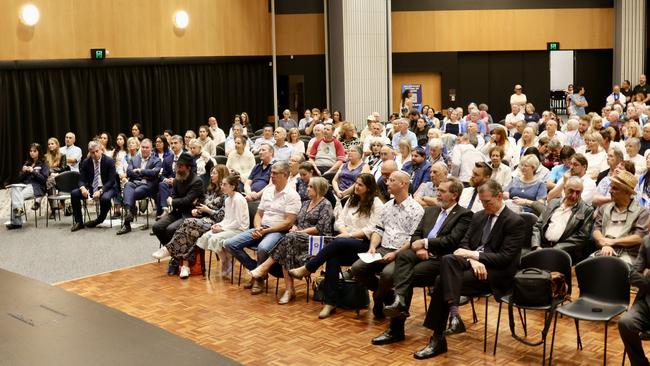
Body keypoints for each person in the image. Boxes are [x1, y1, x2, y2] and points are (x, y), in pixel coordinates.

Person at [413, 180, 525, 360]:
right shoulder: (479, 216)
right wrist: (474, 260)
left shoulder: (514, 221)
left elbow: (505, 258)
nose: (484, 205)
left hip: (496, 272)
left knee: (441, 281)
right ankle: (452, 318)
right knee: (449, 259)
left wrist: (476, 257)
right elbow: (464, 244)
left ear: (499, 196)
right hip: (473, 265)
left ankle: (440, 335)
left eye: (487, 202)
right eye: (481, 201)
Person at [372, 177, 472, 345]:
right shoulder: (430, 211)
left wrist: (425, 243)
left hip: (441, 259)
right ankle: (400, 303)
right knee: (403, 257)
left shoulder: (464, 215)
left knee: (405, 276)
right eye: (437, 190)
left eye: (442, 191)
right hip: (420, 253)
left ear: (454, 195)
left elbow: (452, 241)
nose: (437, 193)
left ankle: (396, 327)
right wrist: (419, 247)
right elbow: (416, 234)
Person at [350, 171, 424, 319]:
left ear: (403, 184)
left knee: (387, 275)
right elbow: (379, 230)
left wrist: (395, 254)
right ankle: (387, 295)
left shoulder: (417, 210)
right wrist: (372, 247)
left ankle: (378, 301)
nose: (386, 183)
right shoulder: (387, 206)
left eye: (391, 180)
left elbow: (412, 239)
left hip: (401, 253)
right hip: (383, 248)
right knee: (357, 269)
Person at [249, 177, 333, 304]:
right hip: (297, 239)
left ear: (318, 189)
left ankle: (266, 268)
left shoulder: (326, 205)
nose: (307, 189)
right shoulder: (305, 203)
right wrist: (294, 228)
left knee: (288, 239)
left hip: (316, 241)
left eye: (310, 187)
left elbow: (320, 228)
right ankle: (289, 289)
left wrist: (299, 232)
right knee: (288, 246)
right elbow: (296, 222)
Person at [225, 162, 302, 295]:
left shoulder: (292, 195)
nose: (271, 176)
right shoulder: (267, 191)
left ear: (285, 175)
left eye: (275, 173)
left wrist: (265, 231)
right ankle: (258, 272)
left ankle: (258, 279)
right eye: (271, 172)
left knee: (263, 248)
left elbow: (288, 223)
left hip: (278, 231)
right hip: (262, 227)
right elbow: (259, 214)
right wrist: (258, 228)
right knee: (230, 244)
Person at [152, 165, 229, 278]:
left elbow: (222, 216)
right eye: (211, 173)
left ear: (221, 175)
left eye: (214, 173)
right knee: (189, 228)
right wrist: (198, 211)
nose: (211, 175)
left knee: (188, 225)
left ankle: (171, 251)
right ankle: (184, 265)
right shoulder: (210, 190)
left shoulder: (226, 194)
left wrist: (208, 210)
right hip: (204, 218)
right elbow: (203, 205)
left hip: (217, 223)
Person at [195, 175, 249, 277]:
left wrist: (222, 229)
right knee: (206, 236)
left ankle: (225, 260)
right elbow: (227, 219)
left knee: (215, 238)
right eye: (221, 184)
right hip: (230, 227)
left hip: (239, 229)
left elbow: (238, 222)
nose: (222, 187)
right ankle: (228, 258)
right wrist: (218, 225)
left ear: (232, 187)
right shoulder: (228, 199)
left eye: (225, 184)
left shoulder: (238, 199)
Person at [592, 170, 649, 266]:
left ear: (627, 192)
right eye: (611, 187)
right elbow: (596, 230)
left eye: (615, 188)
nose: (610, 190)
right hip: (603, 250)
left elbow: (639, 237)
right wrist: (605, 243)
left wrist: (612, 242)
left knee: (610, 270)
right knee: (583, 270)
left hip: (627, 255)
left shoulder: (642, 212)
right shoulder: (604, 208)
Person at [531, 176, 595, 261]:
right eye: (571, 191)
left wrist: (556, 249)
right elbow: (538, 226)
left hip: (566, 253)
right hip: (542, 248)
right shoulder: (553, 203)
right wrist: (536, 246)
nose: (574, 196)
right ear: (564, 189)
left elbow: (582, 237)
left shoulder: (586, 210)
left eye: (578, 192)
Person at [116, 139, 162, 235]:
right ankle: (129, 212)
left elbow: (154, 173)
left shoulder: (157, 160)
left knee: (130, 194)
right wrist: (145, 175)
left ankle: (127, 224)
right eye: (143, 147)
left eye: (147, 147)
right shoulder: (134, 159)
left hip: (147, 186)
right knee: (127, 185)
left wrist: (140, 171)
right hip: (134, 183)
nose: (144, 149)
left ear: (151, 148)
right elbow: (129, 172)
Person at [70, 141, 117, 231]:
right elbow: (81, 179)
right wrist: (82, 188)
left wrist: (100, 191)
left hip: (107, 187)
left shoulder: (109, 161)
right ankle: (79, 222)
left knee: (105, 199)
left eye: (97, 151)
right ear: (89, 152)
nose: (95, 154)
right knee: (74, 193)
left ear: (101, 150)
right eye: (92, 152)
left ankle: (99, 220)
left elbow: (111, 181)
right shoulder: (86, 162)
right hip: (92, 187)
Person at [618, 238, 650, 366]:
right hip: (647, 302)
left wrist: (647, 274)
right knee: (626, 323)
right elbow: (633, 275)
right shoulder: (648, 241)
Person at [7, 143, 49, 229]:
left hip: (36, 186)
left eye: (34, 151)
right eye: (30, 151)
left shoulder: (44, 163)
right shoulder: (28, 162)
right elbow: (20, 178)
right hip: (25, 184)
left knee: (17, 197)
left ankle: (16, 222)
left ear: (39, 152)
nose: (32, 153)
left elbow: (44, 179)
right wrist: (23, 171)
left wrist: (33, 171)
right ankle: (19, 215)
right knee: (14, 189)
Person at [158, 135, 186, 217]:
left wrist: (175, 180)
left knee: (159, 194)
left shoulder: (186, 157)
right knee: (161, 184)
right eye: (171, 143)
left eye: (175, 143)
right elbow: (161, 175)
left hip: (182, 185)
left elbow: (191, 174)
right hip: (169, 185)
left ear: (181, 144)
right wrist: (165, 179)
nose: (173, 145)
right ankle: (165, 209)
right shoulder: (167, 159)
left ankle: (172, 214)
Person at [44, 137, 69, 218]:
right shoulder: (45, 156)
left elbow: (63, 168)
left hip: (59, 178)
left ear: (57, 145)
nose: (50, 145)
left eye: (52, 144)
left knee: (50, 182)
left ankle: (63, 205)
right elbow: (44, 169)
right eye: (49, 144)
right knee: (49, 185)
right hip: (49, 179)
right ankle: (53, 210)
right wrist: (49, 172)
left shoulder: (62, 155)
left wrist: (52, 171)